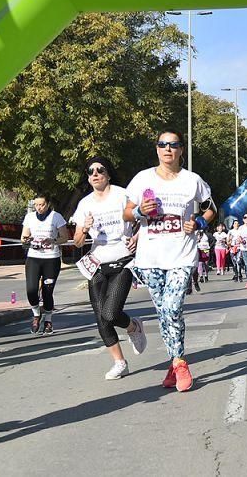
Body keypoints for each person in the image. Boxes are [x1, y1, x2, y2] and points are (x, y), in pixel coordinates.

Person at [124, 128, 216, 392]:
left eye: (173, 144)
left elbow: (212, 208)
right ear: (157, 149)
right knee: (164, 312)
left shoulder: (192, 180)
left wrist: (199, 221)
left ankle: (180, 361)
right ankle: (174, 363)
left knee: (173, 307)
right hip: (150, 258)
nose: (168, 149)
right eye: (162, 144)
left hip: (182, 255)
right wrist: (141, 210)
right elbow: (127, 213)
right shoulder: (142, 179)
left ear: (181, 150)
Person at [71, 156, 147, 380]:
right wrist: (84, 229)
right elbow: (76, 241)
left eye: (100, 170)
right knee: (101, 319)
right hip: (96, 263)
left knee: (111, 312)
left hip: (123, 259)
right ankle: (119, 362)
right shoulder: (85, 204)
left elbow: (146, 220)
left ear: (108, 173)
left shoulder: (123, 195)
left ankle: (133, 327)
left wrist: (138, 236)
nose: (95, 174)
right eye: (90, 171)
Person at [20, 193, 70, 335]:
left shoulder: (56, 217)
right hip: (34, 257)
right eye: (36, 205)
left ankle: (48, 320)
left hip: (51, 258)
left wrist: (52, 241)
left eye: (41, 204)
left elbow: (64, 237)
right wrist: (27, 239)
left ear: (47, 204)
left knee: (48, 291)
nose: (39, 207)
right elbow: (23, 237)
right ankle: (36, 315)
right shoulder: (29, 217)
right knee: (31, 290)